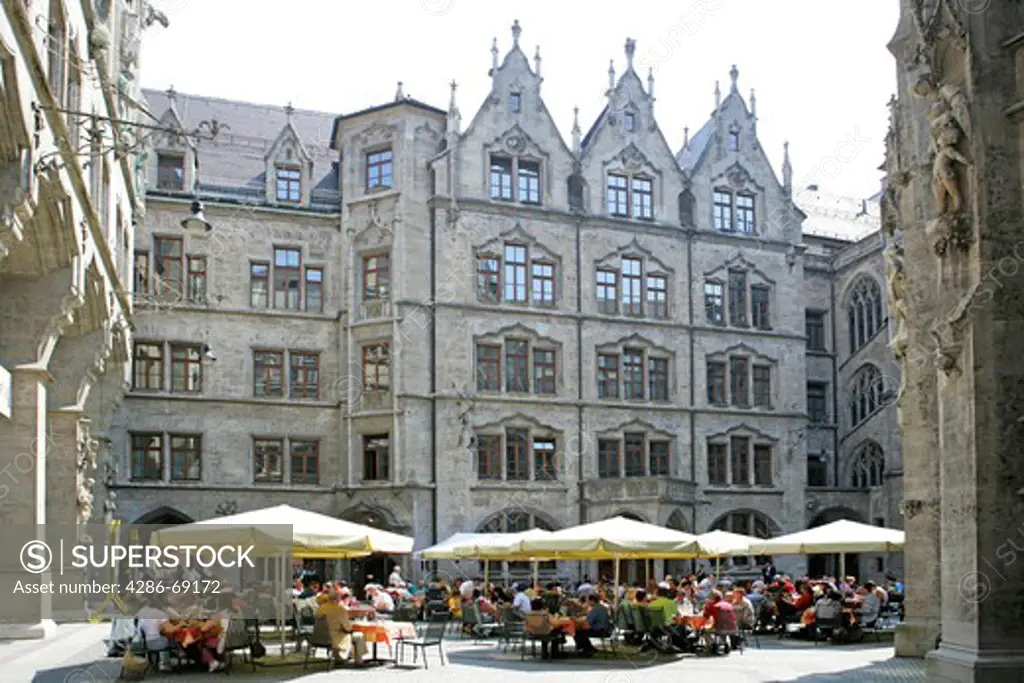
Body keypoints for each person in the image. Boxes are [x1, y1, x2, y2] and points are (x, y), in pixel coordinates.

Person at [315, 591, 367, 666]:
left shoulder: (320, 609)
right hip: (334, 638)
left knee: (342, 633)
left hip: (319, 637)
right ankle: (359, 661)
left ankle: (339, 658)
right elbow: (348, 628)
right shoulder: (340, 610)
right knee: (359, 636)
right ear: (338, 600)